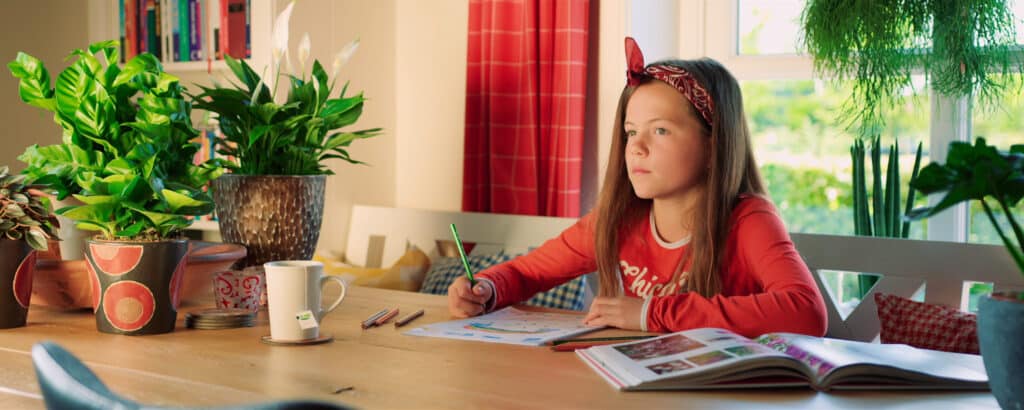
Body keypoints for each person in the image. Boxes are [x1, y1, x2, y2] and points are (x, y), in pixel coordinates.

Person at [447, 37, 827, 338]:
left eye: (660, 130)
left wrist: (651, 313)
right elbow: (528, 274)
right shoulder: (618, 220)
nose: (636, 147)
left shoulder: (749, 220)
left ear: (715, 147)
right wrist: (486, 289)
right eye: (631, 132)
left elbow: (806, 312)